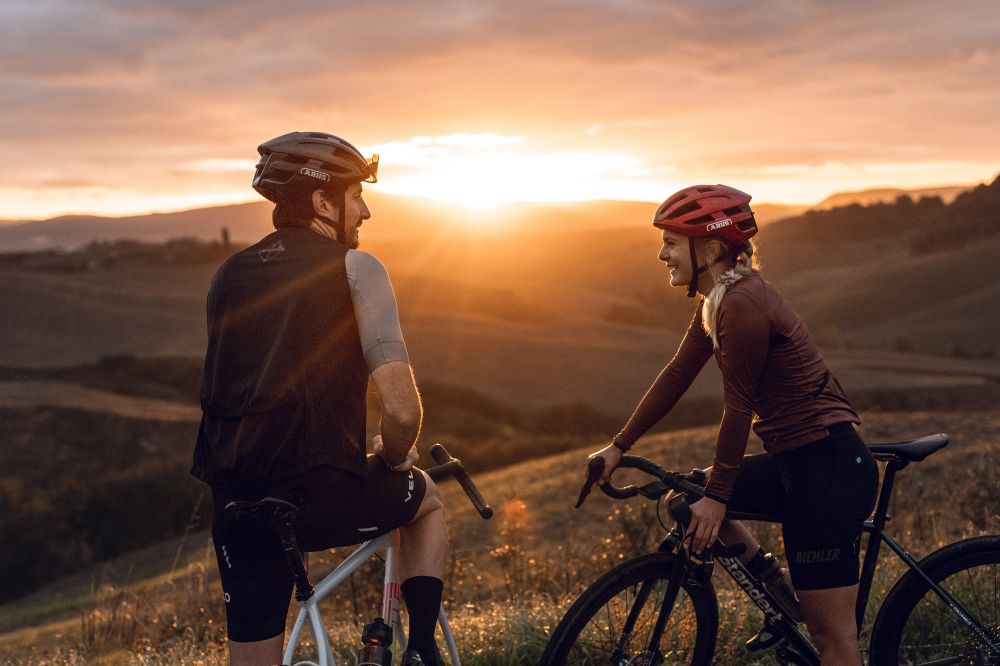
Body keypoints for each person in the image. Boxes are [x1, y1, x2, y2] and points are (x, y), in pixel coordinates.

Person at [589, 184, 878, 665]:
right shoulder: (720, 298)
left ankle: (795, 609)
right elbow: (677, 374)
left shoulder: (744, 304)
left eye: (671, 242)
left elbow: (738, 407)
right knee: (687, 498)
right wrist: (618, 446)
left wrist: (720, 498)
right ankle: (781, 599)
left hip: (827, 468)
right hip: (798, 462)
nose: (662, 253)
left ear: (712, 247)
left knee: (834, 640)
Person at [191, 131, 447, 666]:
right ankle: (422, 650)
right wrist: (394, 457)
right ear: (323, 201)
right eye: (356, 196)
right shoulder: (356, 268)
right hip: (317, 493)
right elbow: (402, 409)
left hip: (233, 499)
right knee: (425, 498)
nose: (367, 211)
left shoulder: (226, 275)